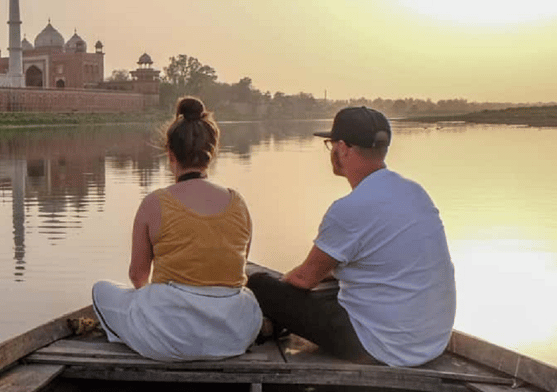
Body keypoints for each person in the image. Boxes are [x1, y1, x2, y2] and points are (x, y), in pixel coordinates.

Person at [248, 106, 456, 367]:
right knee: (334, 281)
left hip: (379, 346)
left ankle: (268, 326)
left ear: (343, 148)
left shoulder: (349, 208)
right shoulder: (415, 192)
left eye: (330, 144)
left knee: (259, 285)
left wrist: (279, 292)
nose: (331, 152)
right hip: (432, 341)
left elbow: (303, 279)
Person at [91, 97, 263, 362]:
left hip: (169, 338)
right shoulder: (237, 202)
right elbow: (239, 272)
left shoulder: (154, 203)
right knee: (246, 294)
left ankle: (139, 336)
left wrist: (158, 303)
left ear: (170, 154)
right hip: (233, 335)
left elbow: (138, 276)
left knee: (100, 290)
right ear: (212, 151)